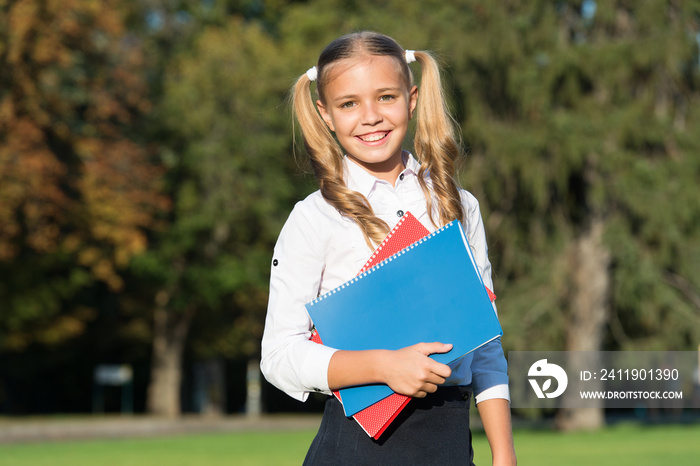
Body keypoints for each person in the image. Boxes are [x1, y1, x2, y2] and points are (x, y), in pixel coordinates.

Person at [260, 31, 516, 465]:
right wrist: (383, 367)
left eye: (385, 97)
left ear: (411, 99)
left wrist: (504, 454)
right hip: (357, 446)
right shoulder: (314, 218)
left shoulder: (459, 205)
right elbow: (279, 356)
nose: (370, 117)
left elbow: (485, 342)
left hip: (451, 442)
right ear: (326, 114)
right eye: (349, 104)